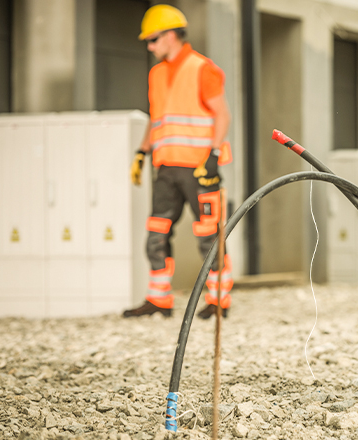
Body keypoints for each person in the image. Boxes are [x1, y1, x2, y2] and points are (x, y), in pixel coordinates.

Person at [123, 4, 233, 319]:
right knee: (156, 233)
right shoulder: (156, 74)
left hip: (200, 170)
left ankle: (219, 300)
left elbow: (222, 114)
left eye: (154, 39)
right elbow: (157, 120)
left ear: (171, 36)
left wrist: (213, 155)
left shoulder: (203, 68)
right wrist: (142, 152)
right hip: (166, 168)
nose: (150, 46)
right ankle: (159, 300)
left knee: (209, 236)